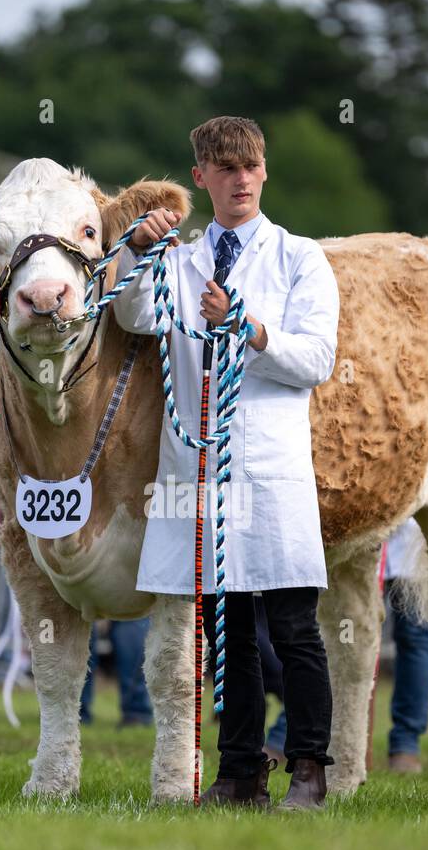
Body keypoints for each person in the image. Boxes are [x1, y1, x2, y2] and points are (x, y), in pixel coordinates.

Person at [114, 115, 339, 809]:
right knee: (230, 629)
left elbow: (315, 360)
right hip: (203, 471)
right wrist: (138, 254)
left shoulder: (300, 258)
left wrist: (248, 326)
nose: (240, 179)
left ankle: (309, 767)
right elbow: (131, 317)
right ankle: (240, 772)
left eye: (250, 166)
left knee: (294, 623)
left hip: (270, 469)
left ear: (264, 171)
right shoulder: (180, 263)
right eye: (225, 167)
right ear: (201, 177)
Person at [383, 518, 428, 773]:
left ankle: (406, 743)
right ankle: (293, 731)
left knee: (417, 638)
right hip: (361, 537)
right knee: (342, 638)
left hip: (414, 543)